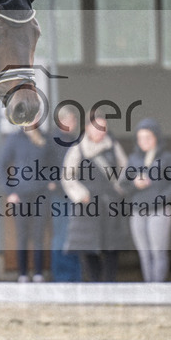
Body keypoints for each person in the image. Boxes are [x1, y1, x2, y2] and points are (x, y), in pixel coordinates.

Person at [60, 112, 129, 282]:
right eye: (97, 127)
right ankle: (95, 283)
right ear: (88, 128)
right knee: (88, 246)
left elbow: (125, 169)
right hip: (87, 205)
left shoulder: (113, 146)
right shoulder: (78, 148)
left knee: (111, 247)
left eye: (104, 127)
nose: (101, 131)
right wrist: (80, 194)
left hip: (110, 205)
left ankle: (109, 283)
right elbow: (68, 176)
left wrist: (119, 189)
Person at [121, 118, 171, 282]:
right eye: (141, 138)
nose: (144, 142)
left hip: (159, 210)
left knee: (158, 251)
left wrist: (161, 198)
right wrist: (136, 183)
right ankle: (149, 287)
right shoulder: (133, 159)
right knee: (144, 252)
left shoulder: (168, 158)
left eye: (148, 137)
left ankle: (158, 286)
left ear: (156, 137)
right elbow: (124, 185)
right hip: (138, 211)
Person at [0, 127, 51, 282]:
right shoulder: (14, 139)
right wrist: (10, 192)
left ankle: (38, 273)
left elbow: (53, 162)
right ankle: (22, 273)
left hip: (41, 194)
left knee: (39, 235)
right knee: (22, 235)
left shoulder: (45, 138)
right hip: (21, 195)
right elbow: (1, 165)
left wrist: (50, 182)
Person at [48, 107, 82, 282]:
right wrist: (51, 182)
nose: (74, 122)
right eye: (71, 119)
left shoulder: (76, 140)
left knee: (74, 236)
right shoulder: (53, 140)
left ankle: (75, 275)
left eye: (74, 119)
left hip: (75, 196)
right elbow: (44, 163)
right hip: (60, 196)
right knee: (61, 236)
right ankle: (61, 276)